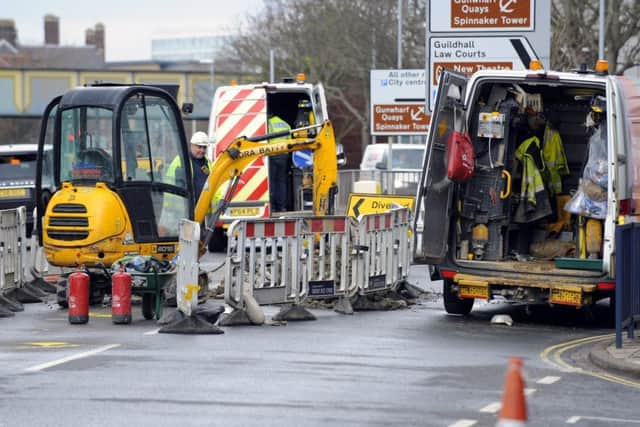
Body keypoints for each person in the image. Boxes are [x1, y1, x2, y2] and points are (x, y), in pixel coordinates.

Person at [267, 114, 291, 213]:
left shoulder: (269, 123)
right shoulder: (285, 124)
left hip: (272, 155)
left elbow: (266, 139)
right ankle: (281, 207)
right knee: (281, 181)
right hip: (284, 155)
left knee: (272, 181)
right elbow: (290, 141)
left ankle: (272, 206)